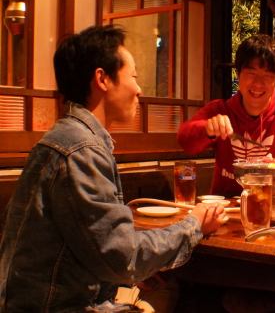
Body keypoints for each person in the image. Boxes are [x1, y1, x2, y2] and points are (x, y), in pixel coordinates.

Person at [0, 25, 225, 311]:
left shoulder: (70, 138)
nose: (139, 88)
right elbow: (123, 257)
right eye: (133, 76)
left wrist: (137, 273)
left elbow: (97, 250)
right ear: (102, 79)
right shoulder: (81, 150)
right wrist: (194, 224)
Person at [177, 34, 275, 197]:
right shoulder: (221, 110)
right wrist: (206, 128)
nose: (258, 84)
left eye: (268, 76)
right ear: (238, 74)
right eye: (251, 73)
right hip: (225, 209)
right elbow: (185, 140)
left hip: (272, 207)